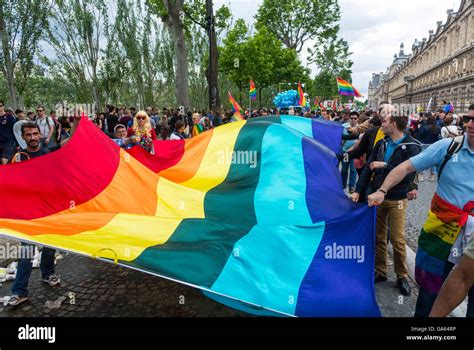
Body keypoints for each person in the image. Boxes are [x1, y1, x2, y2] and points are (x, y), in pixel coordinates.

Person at [367, 104, 474, 317]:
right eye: (468, 118)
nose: (470, 124)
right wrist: (382, 190)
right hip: (442, 233)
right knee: (429, 290)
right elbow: (406, 167)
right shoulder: (447, 147)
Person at [5, 116, 80, 306]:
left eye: (35, 133)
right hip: (29, 215)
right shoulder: (18, 158)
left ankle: (48, 274)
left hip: (50, 210)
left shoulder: (49, 152)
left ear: (40, 135)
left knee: (49, 247)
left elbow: (71, 142)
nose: (32, 137)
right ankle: (19, 291)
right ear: (23, 137)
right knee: (27, 253)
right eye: (28, 134)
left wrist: (77, 122)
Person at [352, 104, 421, 296]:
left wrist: (386, 165)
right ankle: (380, 271)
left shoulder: (412, 146)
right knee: (379, 236)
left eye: (384, 120)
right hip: (377, 196)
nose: (380, 123)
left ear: (394, 123)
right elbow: (368, 168)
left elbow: (408, 175)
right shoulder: (381, 143)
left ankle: (401, 276)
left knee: (397, 239)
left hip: (397, 198)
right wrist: (358, 190)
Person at [341, 112, 359, 193]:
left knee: (353, 170)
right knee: (344, 169)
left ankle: (351, 187)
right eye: (351, 118)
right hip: (345, 152)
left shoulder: (360, 128)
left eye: (355, 118)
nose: (353, 120)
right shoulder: (344, 126)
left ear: (358, 119)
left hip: (355, 153)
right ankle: (343, 185)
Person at [0, 100, 17, 165]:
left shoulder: (9, 116)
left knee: (5, 161)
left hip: (8, 143)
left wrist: (17, 144)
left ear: (3, 107)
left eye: (0, 106)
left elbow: (14, 130)